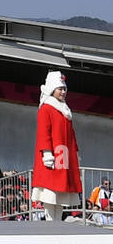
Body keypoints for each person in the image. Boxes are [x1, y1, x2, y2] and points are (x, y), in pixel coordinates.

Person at [31, 71, 81, 221]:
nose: (63, 92)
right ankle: (50, 223)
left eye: (64, 89)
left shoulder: (65, 110)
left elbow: (71, 135)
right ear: (52, 89)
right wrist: (46, 153)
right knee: (49, 193)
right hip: (51, 156)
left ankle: (57, 223)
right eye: (60, 89)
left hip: (63, 155)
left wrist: (75, 153)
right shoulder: (46, 108)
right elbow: (43, 133)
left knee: (60, 194)